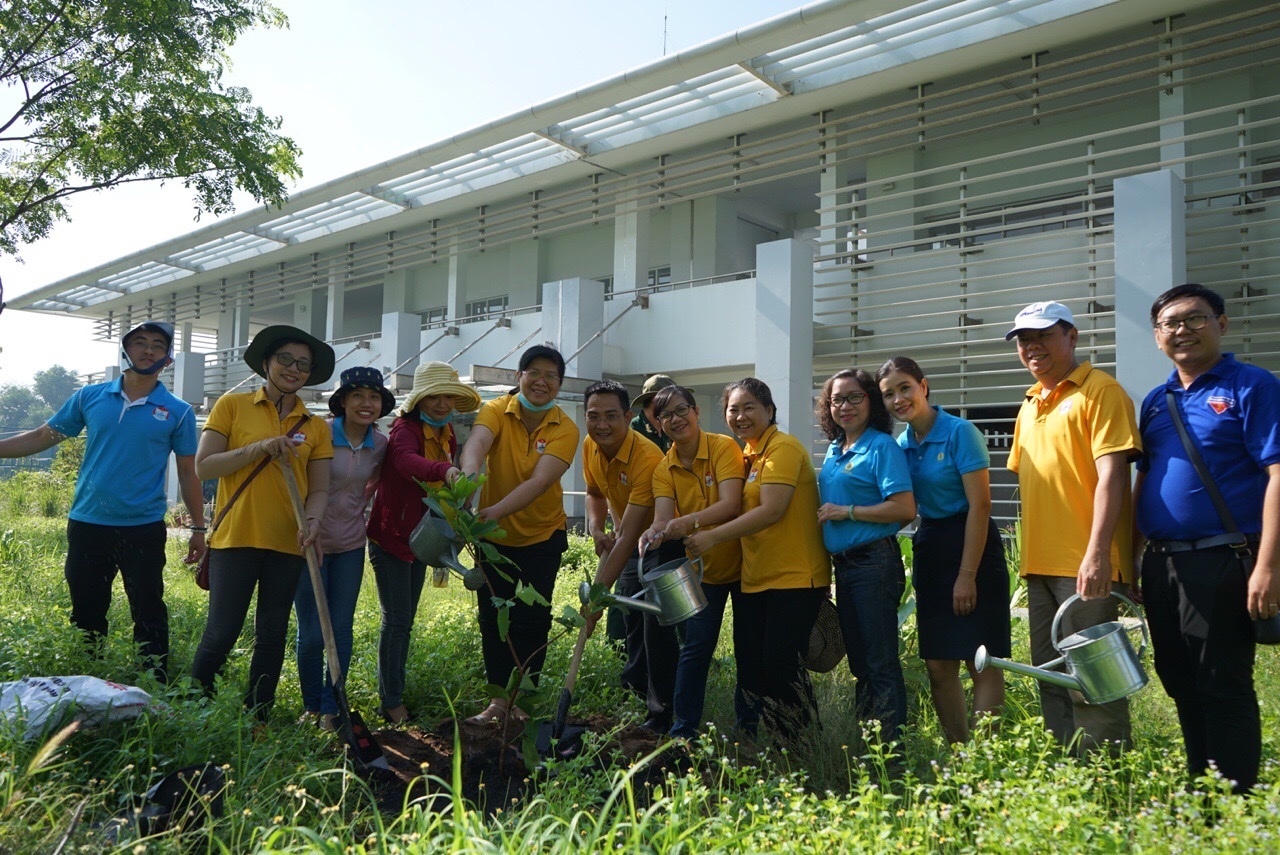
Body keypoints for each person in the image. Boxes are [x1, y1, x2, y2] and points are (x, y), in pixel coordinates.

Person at [1134, 283, 1280, 794]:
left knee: (1222, 684)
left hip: (1223, 558)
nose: (1182, 330)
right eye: (1170, 323)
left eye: (1195, 319)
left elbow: (1277, 474)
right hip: (1161, 563)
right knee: (1179, 681)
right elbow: (1145, 481)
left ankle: (1234, 803)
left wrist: (1268, 566)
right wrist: (1133, 558)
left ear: (1221, 324)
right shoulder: (1157, 400)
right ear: (1157, 336)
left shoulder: (1252, 385)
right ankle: (1203, 793)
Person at [0, 320, 203, 683]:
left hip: (143, 526)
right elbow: (43, 436)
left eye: (158, 345)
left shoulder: (179, 411)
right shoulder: (89, 397)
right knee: (87, 611)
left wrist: (198, 529)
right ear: (125, 350)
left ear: (168, 359)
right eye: (140, 342)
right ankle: (87, 680)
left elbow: (189, 473)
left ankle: (154, 685)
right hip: (88, 523)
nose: (148, 350)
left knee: (149, 610)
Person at [1006, 300, 1140, 753]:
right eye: (1024, 340)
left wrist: (1098, 553)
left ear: (1072, 336)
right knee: (1050, 677)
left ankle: (1106, 776)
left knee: (1094, 683)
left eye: (1044, 335)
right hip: (1039, 567)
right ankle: (1067, 773)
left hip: (1085, 565)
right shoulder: (1029, 404)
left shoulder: (1101, 391)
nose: (1032, 346)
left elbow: (1113, 475)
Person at [191, 325, 335, 724]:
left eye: (303, 364)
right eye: (285, 359)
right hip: (235, 538)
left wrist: (313, 521)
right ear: (267, 362)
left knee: (272, 634)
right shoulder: (232, 405)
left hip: (289, 543)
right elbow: (204, 467)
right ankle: (193, 710)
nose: (294, 369)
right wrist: (260, 447)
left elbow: (320, 488)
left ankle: (258, 718)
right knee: (222, 631)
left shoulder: (316, 426)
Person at [685, 378, 830, 740]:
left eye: (749, 407)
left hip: (795, 578)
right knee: (753, 665)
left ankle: (801, 745)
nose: (740, 416)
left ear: (769, 409)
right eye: (733, 409)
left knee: (782, 665)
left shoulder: (783, 448)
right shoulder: (748, 455)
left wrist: (713, 536)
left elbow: (771, 511)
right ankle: (761, 740)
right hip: (756, 578)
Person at [877, 356, 1009, 744]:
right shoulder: (900, 446)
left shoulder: (959, 432)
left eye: (905, 388)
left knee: (981, 660)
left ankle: (985, 761)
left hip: (973, 543)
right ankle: (960, 755)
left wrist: (967, 576)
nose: (898, 399)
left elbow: (981, 505)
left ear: (924, 386)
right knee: (938, 664)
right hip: (931, 546)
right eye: (888, 394)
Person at [459, 345, 579, 724]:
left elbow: (541, 481)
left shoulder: (566, 428)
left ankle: (522, 703)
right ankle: (498, 702)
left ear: (559, 383)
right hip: (493, 540)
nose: (542, 381)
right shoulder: (497, 410)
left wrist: (492, 512)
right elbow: (477, 445)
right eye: (534, 373)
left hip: (542, 537)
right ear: (519, 376)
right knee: (493, 619)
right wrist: (468, 481)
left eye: (551, 375)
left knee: (533, 621)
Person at [366, 361, 481, 723]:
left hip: (423, 537)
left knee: (406, 620)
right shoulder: (406, 430)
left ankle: (394, 692)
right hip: (392, 538)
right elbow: (405, 462)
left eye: (448, 396)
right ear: (420, 400)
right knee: (397, 620)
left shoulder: (446, 430)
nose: (442, 404)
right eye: (434, 397)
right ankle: (390, 702)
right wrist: (445, 470)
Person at [639, 384, 746, 738]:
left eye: (681, 410)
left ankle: (748, 727)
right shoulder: (663, 469)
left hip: (747, 565)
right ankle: (683, 729)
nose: (675, 419)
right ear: (657, 424)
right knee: (696, 647)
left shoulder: (723, 447)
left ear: (696, 411)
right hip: (704, 571)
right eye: (665, 415)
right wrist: (652, 533)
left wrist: (689, 521)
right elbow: (662, 519)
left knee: (749, 650)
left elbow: (731, 504)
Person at [816, 369, 916, 746]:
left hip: (874, 564)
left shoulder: (881, 446)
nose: (845, 406)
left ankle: (891, 755)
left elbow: (904, 508)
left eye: (854, 397)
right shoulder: (835, 449)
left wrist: (849, 513)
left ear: (871, 401)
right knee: (860, 664)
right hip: (845, 567)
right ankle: (869, 746)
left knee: (879, 663)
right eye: (837, 399)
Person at [294, 367, 391, 731]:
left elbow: (374, 481)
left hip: (350, 543)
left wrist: (357, 505)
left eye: (374, 397)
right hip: (309, 542)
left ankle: (331, 707)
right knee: (311, 633)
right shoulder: (318, 433)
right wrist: (309, 525)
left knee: (341, 628)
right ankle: (310, 706)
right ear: (342, 402)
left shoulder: (379, 444)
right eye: (358, 396)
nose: (367, 404)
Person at [578, 379, 676, 727]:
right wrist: (595, 528)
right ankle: (633, 694)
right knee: (632, 620)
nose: (601, 424)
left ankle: (662, 711)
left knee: (655, 624)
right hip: (630, 542)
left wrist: (595, 600)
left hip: (662, 544)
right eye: (593, 416)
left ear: (627, 417)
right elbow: (594, 492)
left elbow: (631, 534)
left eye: (610, 416)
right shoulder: (590, 444)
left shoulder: (646, 458)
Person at [630, 374, 676, 453]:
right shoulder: (635, 428)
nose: (672, 405)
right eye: (667, 399)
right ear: (655, 399)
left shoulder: (670, 425)